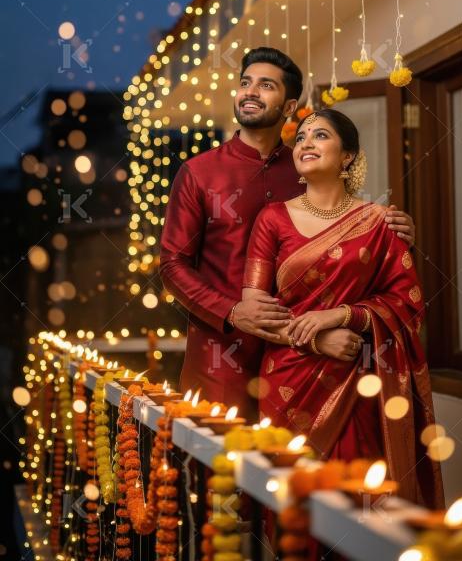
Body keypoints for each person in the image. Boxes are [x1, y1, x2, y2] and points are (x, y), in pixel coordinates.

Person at [159, 47, 415, 419]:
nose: (250, 92)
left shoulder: (308, 169)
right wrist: (232, 311)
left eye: (266, 85)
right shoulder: (199, 173)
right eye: (245, 83)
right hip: (221, 362)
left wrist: (396, 234)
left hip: (302, 360)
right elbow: (172, 265)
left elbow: (349, 248)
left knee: (294, 459)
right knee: (220, 456)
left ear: (290, 106)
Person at [242, 108, 443, 507]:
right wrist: (317, 340)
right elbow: (254, 313)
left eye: (320, 135)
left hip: (357, 379)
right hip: (287, 378)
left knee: (353, 501)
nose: (306, 143)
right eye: (301, 137)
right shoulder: (272, 218)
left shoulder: (379, 221)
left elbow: (408, 304)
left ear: (348, 156)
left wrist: (343, 314)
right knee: (292, 505)